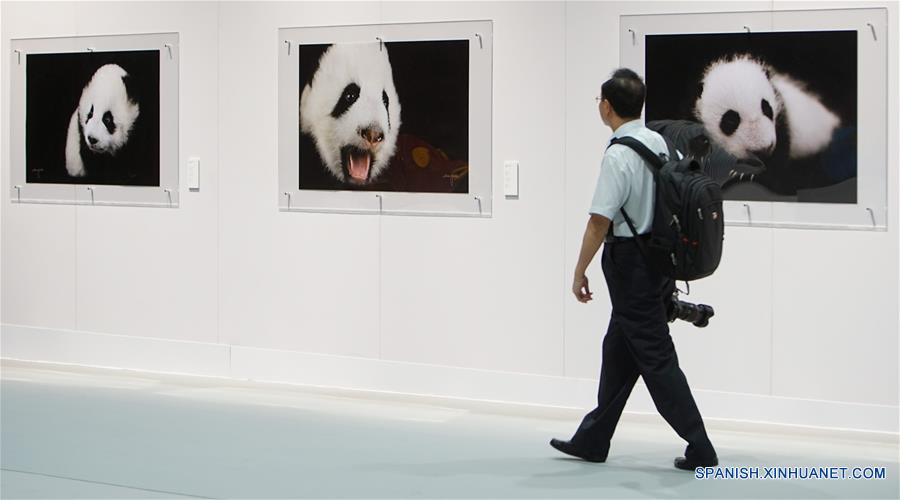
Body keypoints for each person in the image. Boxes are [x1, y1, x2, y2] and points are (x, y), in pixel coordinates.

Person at [550, 68, 718, 471]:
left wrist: (578, 272)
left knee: (657, 361)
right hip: (658, 259)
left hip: (631, 264)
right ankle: (593, 438)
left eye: (598, 101)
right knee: (618, 350)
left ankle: (701, 446)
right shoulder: (657, 142)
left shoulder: (618, 155)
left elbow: (598, 221)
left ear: (606, 106)